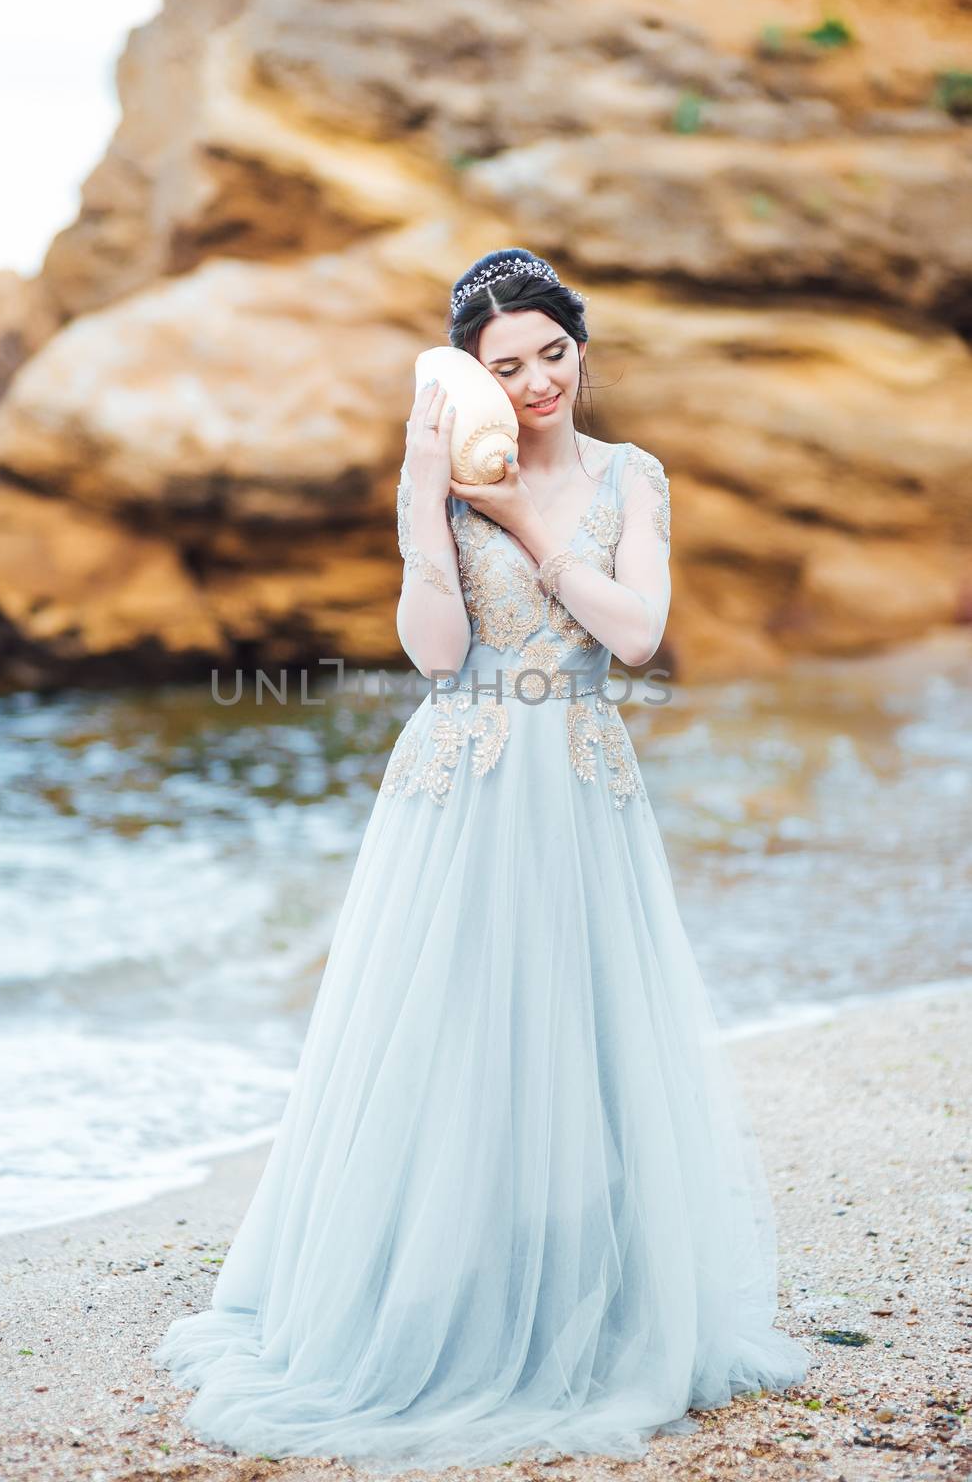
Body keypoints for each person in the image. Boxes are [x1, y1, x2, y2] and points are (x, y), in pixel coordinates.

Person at [152, 247, 810, 1471]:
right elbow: (435, 649)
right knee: (451, 1031)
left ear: (579, 347)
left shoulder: (630, 476)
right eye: (505, 368)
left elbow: (638, 631)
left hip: (576, 780)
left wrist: (525, 524)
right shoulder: (454, 482)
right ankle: (440, 1288)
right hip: (459, 779)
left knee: (579, 1029)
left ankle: (590, 1296)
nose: (536, 382)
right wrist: (423, 497)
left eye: (552, 353)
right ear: (473, 380)